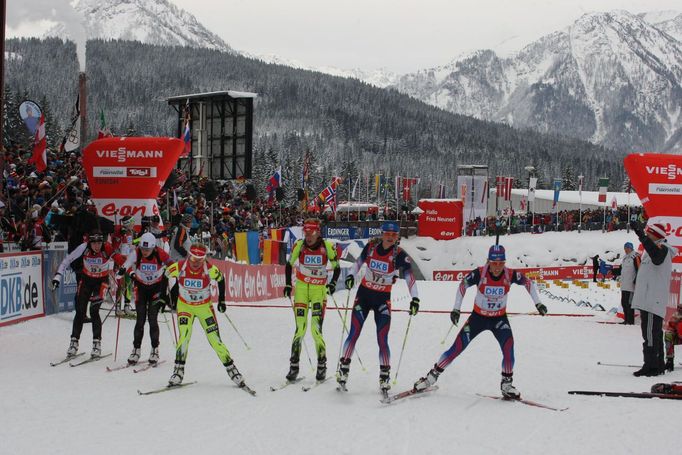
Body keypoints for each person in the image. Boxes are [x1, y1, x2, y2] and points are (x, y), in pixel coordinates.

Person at [413, 244, 547, 399]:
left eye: (500, 263)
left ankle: (507, 385)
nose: (497, 267)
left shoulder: (510, 274)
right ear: (488, 261)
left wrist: (538, 303)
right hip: (478, 319)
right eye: (494, 263)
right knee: (456, 348)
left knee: (509, 349)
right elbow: (463, 285)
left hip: (499, 319)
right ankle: (430, 378)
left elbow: (528, 283)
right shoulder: (480, 273)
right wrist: (456, 309)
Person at [338, 221, 420, 392]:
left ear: (397, 237)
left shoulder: (399, 254)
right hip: (364, 296)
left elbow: (410, 278)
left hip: (383, 300)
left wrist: (415, 299)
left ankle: (384, 377)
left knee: (382, 339)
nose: (390, 237)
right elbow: (358, 263)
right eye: (387, 234)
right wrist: (351, 276)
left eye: (394, 235)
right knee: (354, 333)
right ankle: (343, 370)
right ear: (382, 234)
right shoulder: (371, 247)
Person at [165, 243, 245, 387]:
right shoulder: (180, 266)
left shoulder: (209, 269)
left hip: (204, 308)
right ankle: (178, 372)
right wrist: (163, 297)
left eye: (200, 260)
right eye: (194, 259)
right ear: (189, 256)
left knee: (214, 339)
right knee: (184, 337)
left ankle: (232, 370)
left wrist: (221, 301)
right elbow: (164, 275)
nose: (196, 263)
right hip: (185, 307)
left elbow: (221, 279)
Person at [283, 218, 340, 382]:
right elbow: (289, 264)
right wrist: (288, 284)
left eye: (311, 233)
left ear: (318, 232)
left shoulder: (327, 247)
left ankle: (321, 365)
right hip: (301, 289)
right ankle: (294, 367)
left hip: (318, 291)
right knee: (299, 329)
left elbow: (336, 267)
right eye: (306, 233)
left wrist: (333, 283)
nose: (308, 236)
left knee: (316, 330)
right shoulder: (299, 245)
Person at [51, 230, 124, 358]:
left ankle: (96, 344)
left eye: (99, 243)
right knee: (80, 311)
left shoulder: (107, 248)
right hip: (86, 280)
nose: (97, 246)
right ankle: (74, 343)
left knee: (94, 310)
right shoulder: (83, 247)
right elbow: (67, 259)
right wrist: (57, 276)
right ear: (89, 242)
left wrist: (124, 270)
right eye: (94, 243)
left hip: (101, 282)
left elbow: (121, 260)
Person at [119, 232, 174, 365]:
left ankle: (155, 349)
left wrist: (169, 273)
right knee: (140, 320)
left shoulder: (160, 253)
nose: (144, 252)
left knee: (153, 319)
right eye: (143, 249)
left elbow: (172, 265)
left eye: (147, 249)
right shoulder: (136, 252)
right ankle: (136, 349)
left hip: (156, 288)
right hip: (141, 288)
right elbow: (126, 264)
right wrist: (124, 271)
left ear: (153, 247)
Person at [630, 221, 676, 377]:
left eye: (649, 234)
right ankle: (658, 364)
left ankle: (651, 366)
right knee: (653, 334)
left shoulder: (662, 249)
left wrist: (642, 236)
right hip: (649, 300)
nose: (647, 237)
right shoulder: (655, 250)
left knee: (650, 334)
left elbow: (656, 258)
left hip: (652, 300)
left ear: (655, 236)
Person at [111, 215, 137, 316]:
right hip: (120, 261)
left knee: (129, 283)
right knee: (121, 285)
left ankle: (126, 306)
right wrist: (119, 235)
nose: (133, 224)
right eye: (132, 222)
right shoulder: (120, 232)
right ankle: (117, 307)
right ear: (128, 224)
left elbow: (130, 247)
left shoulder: (131, 233)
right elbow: (115, 248)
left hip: (129, 261)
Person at [620, 241, 640, 325]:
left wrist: (636, 280)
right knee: (624, 303)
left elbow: (639, 269)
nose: (625, 250)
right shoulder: (625, 258)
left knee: (629, 303)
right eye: (625, 248)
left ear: (631, 248)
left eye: (627, 248)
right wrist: (612, 271)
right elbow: (622, 270)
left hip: (631, 285)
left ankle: (630, 321)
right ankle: (626, 320)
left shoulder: (635, 256)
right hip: (624, 284)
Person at [664, 304, 682, 372]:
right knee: (668, 335)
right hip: (678, 335)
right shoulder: (676, 315)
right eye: (679, 308)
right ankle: (669, 361)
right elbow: (670, 327)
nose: (680, 310)